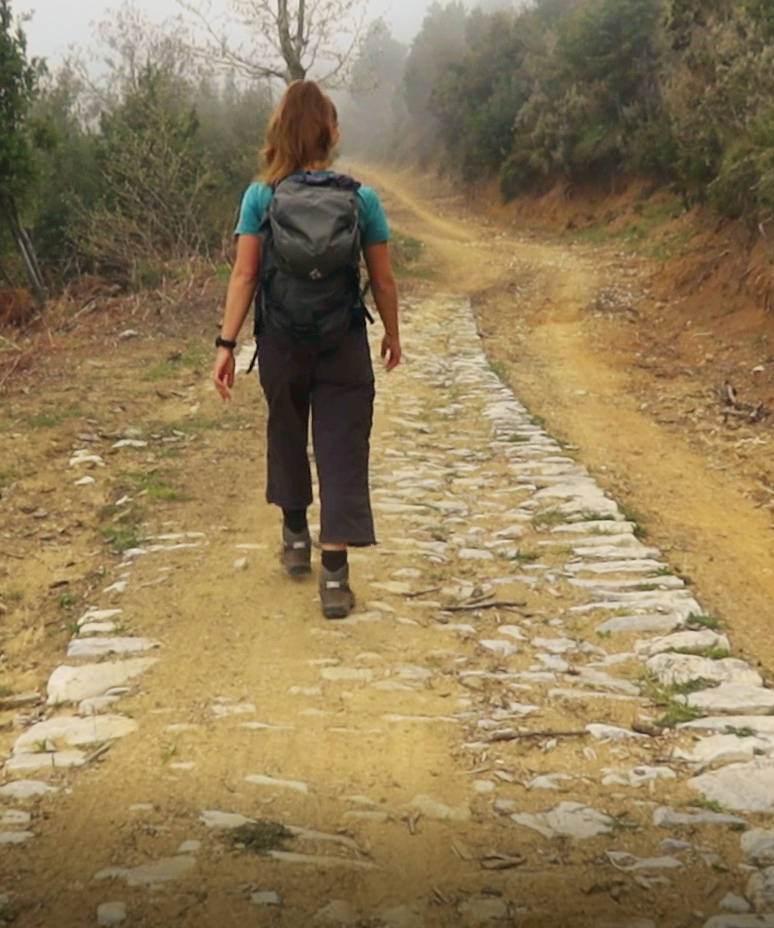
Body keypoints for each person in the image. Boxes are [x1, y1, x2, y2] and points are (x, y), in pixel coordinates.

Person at [212, 79, 401, 620]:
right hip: (341, 341)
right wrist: (391, 332)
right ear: (330, 132)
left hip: (282, 340)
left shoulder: (260, 198)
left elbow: (246, 274)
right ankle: (335, 579)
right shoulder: (360, 197)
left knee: (287, 427)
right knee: (341, 444)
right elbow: (383, 280)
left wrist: (226, 344)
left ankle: (296, 537)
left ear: (279, 134)